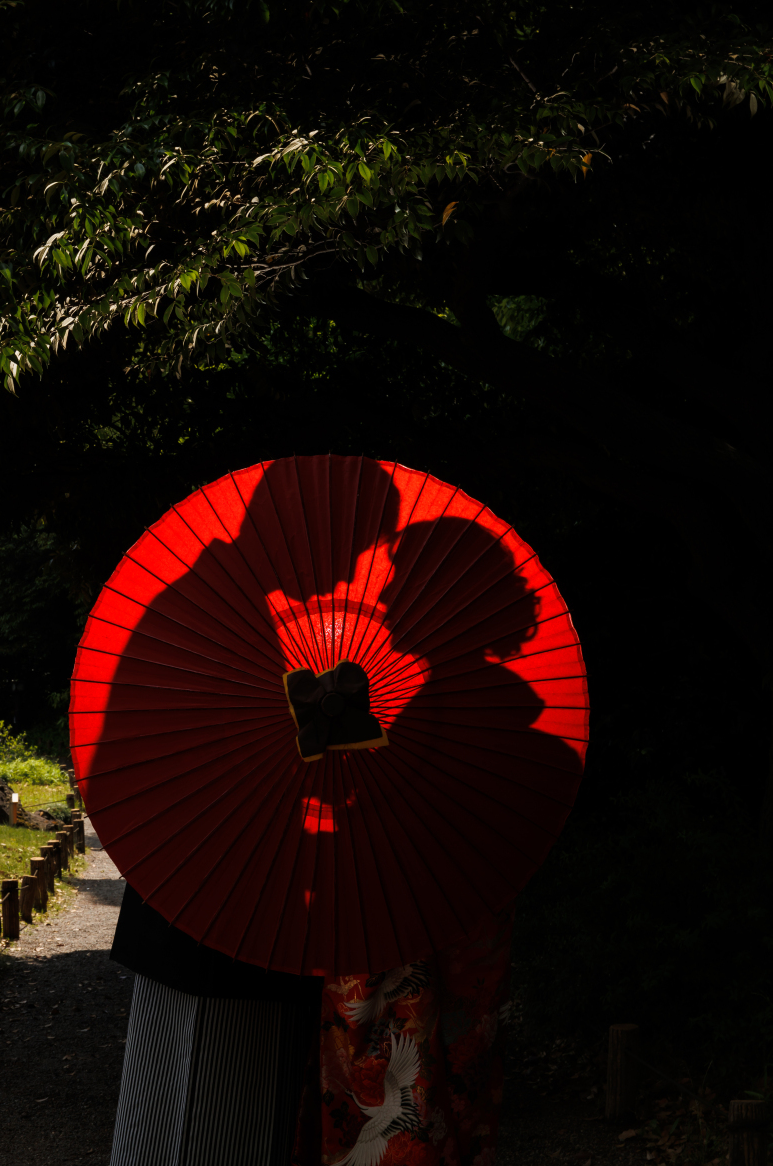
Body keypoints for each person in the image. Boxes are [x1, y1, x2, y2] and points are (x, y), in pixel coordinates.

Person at [96, 457, 583, 1166]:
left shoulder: (261, 614)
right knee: (198, 1113)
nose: (363, 578)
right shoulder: (225, 607)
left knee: (231, 1118)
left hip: (269, 905)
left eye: (377, 567)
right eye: (365, 558)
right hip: (214, 890)